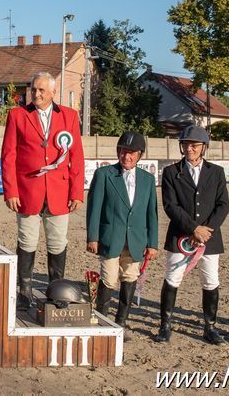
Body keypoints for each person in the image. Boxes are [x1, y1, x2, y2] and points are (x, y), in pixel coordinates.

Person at [0, 72, 85, 309]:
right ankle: (24, 290)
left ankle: (56, 289)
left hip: (59, 192)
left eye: (41, 91)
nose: (36, 94)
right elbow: (8, 156)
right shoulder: (17, 115)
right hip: (27, 191)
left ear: (53, 92)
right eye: (33, 89)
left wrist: (77, 192)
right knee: (27, 240)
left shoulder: (69, 116)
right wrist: (11, 191)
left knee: (57, 242)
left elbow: (76, 157)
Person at [156, 125, 229, 344]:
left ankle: (210, 326)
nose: (190, 149)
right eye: (186, 145)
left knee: (210, 280)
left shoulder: (216, 172)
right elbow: (170, 205)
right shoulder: (171, 172)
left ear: (203, 147)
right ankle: (165, 324)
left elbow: (223, 204)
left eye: (194, 145)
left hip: (209, 237)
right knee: (172, 278)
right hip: (181, 235)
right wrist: (192, 229)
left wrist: (206, 231)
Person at [86, 131, 159, 337]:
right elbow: (95, 207)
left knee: (130, 277)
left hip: (136, 240)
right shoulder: (104, 175)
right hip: (111, 237)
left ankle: (121, 323)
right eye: (123, 152)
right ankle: (102, 319)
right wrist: (93, 237)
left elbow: (151, 213)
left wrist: (152, 243)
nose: (126, 157)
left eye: (131, 153)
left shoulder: (147, 179)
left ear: (140, 155)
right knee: (109, 278)